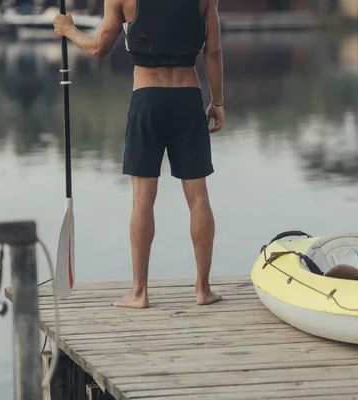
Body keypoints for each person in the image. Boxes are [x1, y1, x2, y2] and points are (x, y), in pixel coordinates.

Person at [53, 0, 225, 308]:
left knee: (143, 198)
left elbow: (98, 48)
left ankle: (139, 292)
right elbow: (213, 52)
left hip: (147, 99)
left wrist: (68, 30)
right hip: (188, 98)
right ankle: (203, 289)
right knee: (198, 196)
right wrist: (219, 101)